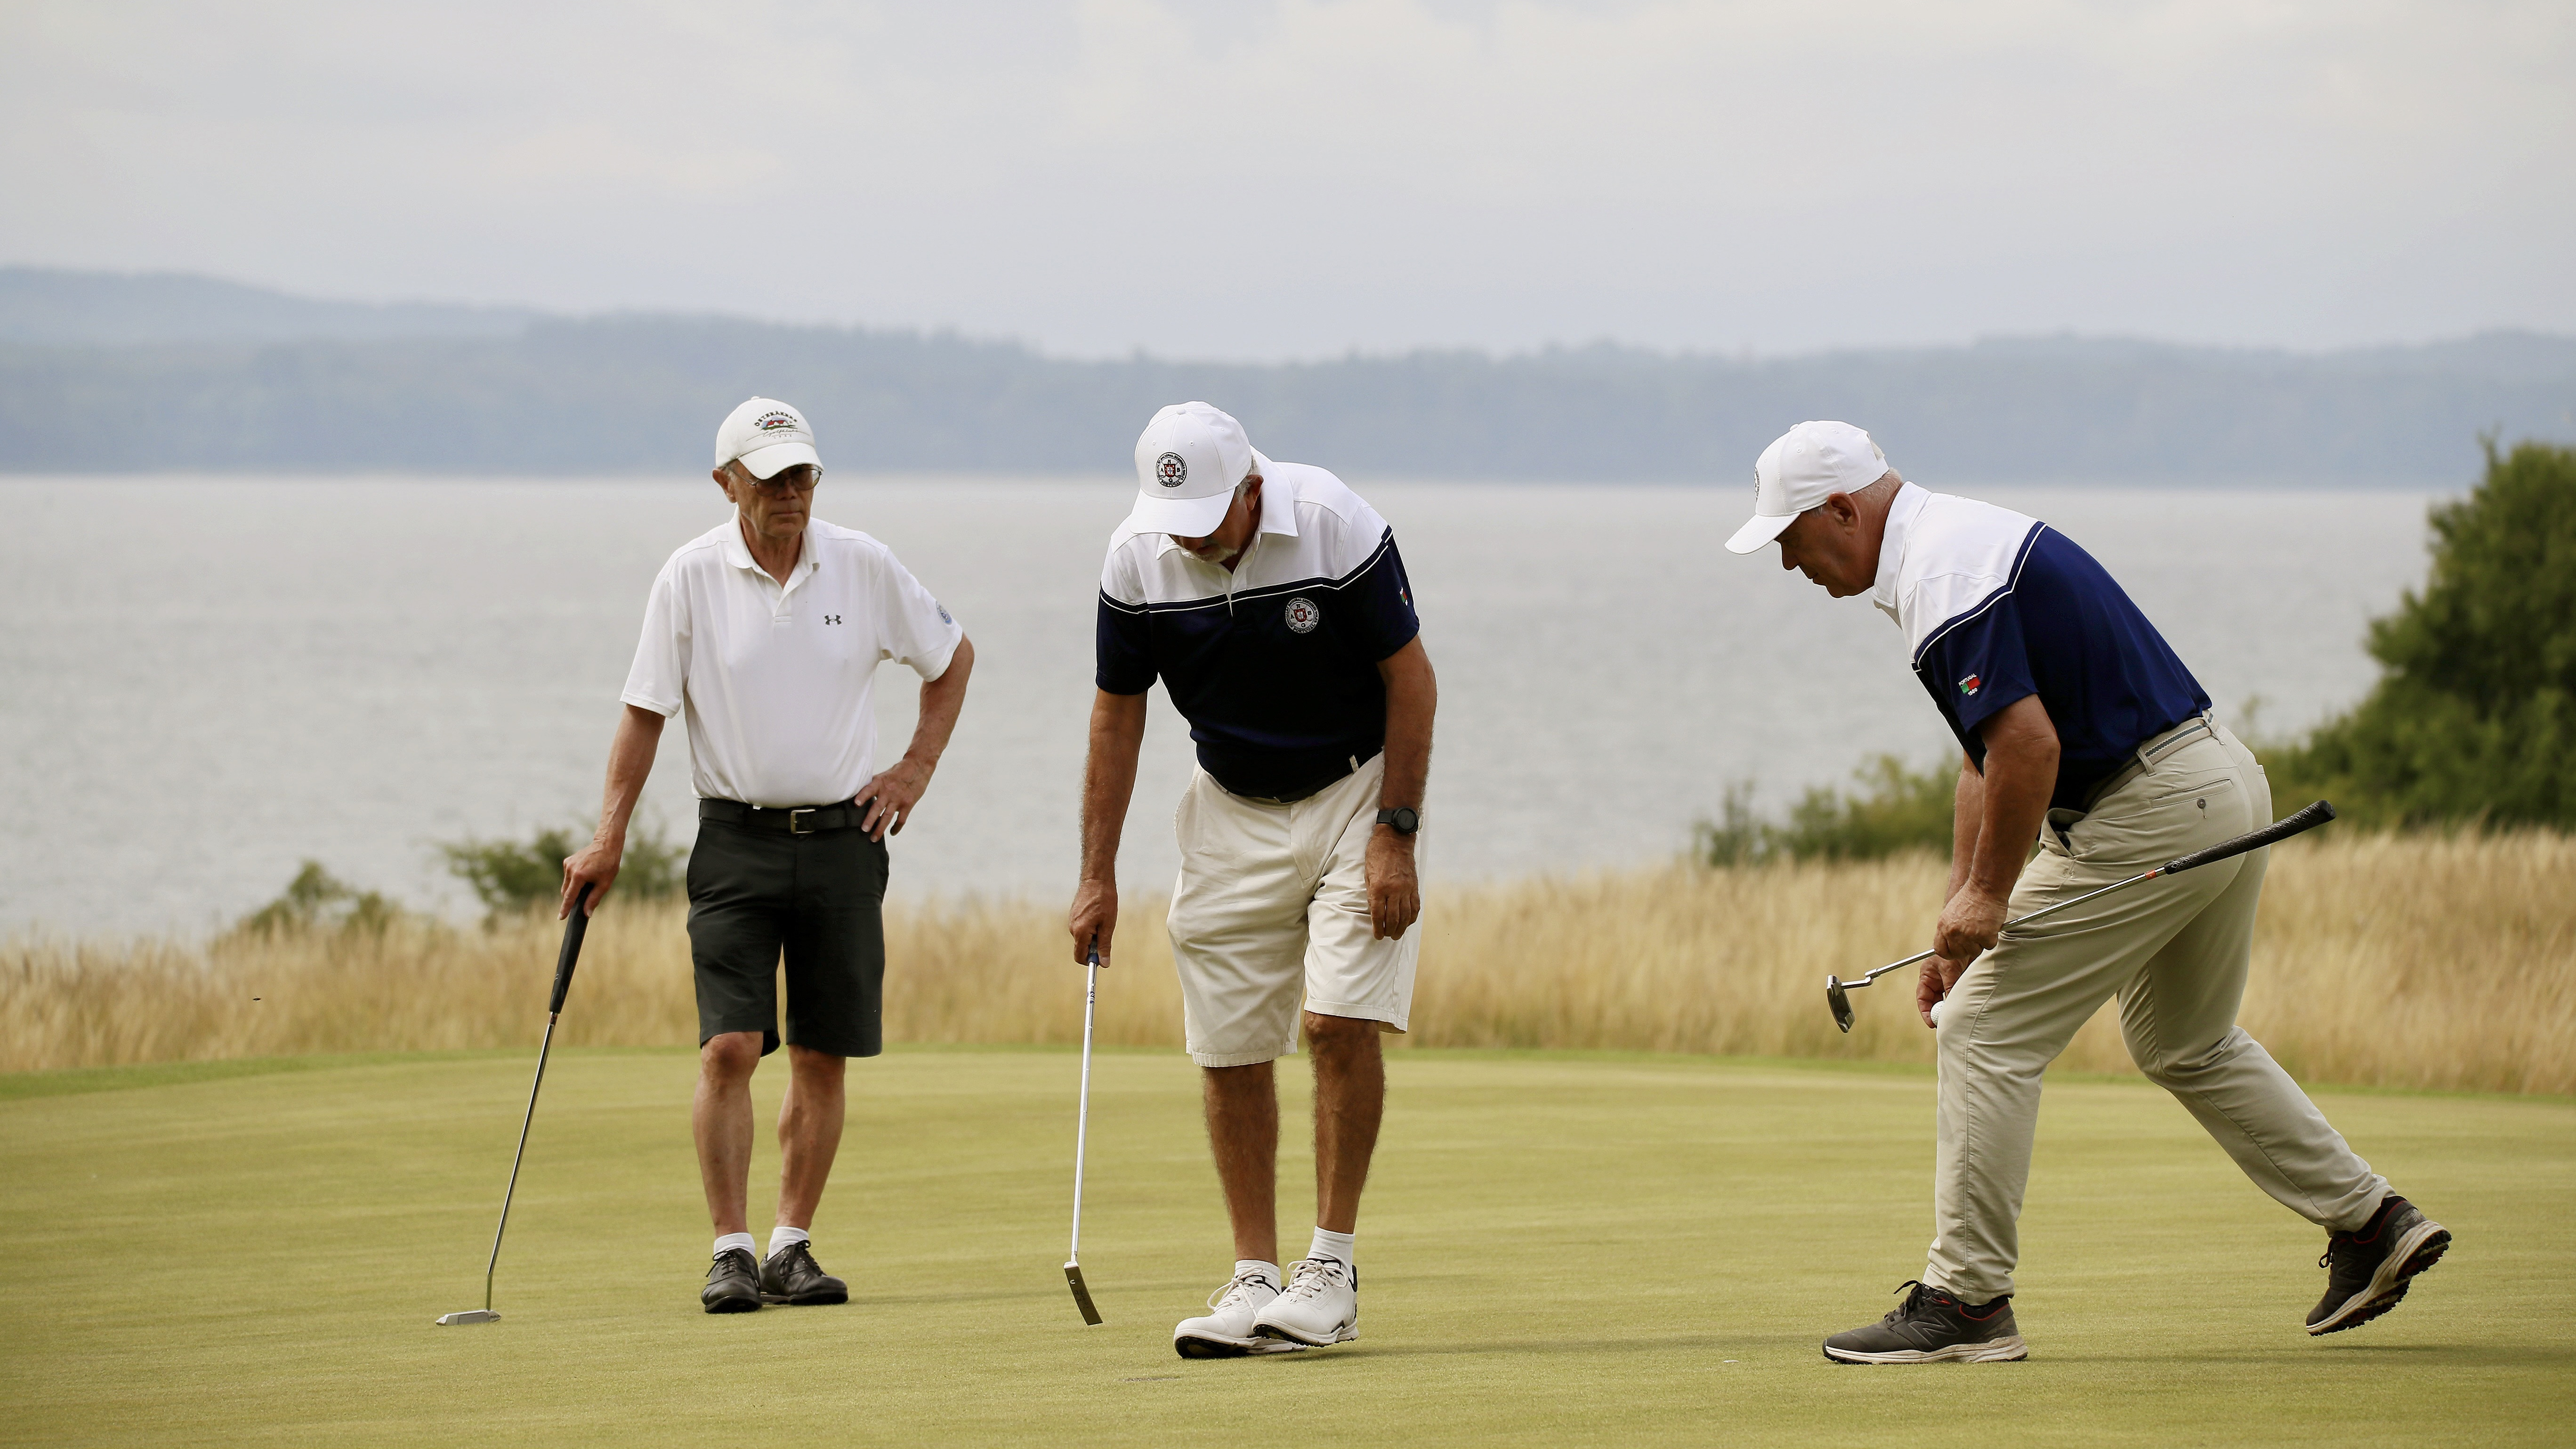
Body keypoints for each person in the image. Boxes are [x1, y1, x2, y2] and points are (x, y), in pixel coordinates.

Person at [1724, 420, 2449, 1364]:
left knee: (1984, 1027)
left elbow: (2029, 749)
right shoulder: (1947, 546)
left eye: (1791, 539)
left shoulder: (1943, 577)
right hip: (2218, 783)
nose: (1790, 565)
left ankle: (1968, 1302)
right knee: (2181, 1038)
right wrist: (1960, 910)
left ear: (1841, 510)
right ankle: (2371, 1223)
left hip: (2151, 804)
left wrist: (1990, 899)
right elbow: (1988, 760)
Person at [558, 397, 973, 1315]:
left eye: (805, 475)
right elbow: (644, 711)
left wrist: (915, 768)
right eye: (774, 476)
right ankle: (731, 1251)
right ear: (727, 483)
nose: (794, 493)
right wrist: (608, 836)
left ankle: (792, 1246)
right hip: (734, 843)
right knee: (730, 1048)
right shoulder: (689, 576)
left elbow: (950, 657)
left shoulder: (862, 565)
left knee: (822, 1056)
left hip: (844, 842)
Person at [1067, 402, 1436, 1359]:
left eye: (1205, 519)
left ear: (1252, 489)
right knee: (1229, 1044)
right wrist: (1096, 874)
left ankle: (1331, 1271)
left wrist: (1397, 832)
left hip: (1355, 789)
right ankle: (1252, 1277)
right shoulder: (1136, 557)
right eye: (1171, 520)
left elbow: (1412, 679)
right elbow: (1117, 719)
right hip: (1229, 802)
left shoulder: (1332, 522)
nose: (1187, 539)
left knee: (1335, 1020)